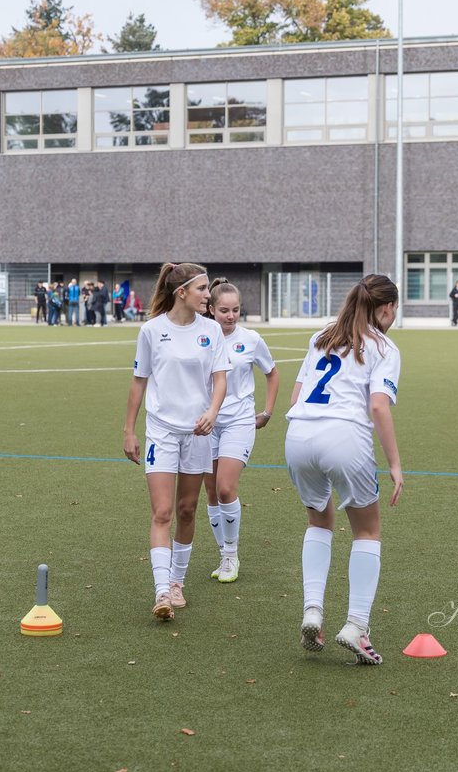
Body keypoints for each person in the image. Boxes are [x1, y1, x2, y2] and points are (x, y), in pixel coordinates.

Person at [286, 274, 403, 665]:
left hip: (299, 433)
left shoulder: (322, 335)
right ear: (386, 308)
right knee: (367, 530)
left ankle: (313, 611)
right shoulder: (384, 346)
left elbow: (297, 393)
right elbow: (377, 407)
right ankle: (356, 626)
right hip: (344, 436)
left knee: (319, 522)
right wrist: (395, 464)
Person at [123, 263, 228, 621]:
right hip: (162, 431)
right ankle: (161, 590)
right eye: (201, 289)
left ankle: (177, 581)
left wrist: (212, 412)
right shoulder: (152, 331)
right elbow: (139, 381)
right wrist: (129, 430)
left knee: (187, 510)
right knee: (163, 511)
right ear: (181, 292)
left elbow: (220, 380)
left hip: (198, 432)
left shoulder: (212, 330)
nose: (207, 295)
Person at [200, 279, 280, 584]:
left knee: (225, 489)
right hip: (207, 424)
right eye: (223, 310)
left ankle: (231, 555)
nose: (230, 315)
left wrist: (268, 410)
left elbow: (272, 373)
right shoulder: (202, 337)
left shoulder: (252, 339)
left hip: (239, 421)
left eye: (235, 310)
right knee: (210, 492)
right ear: (211, 309)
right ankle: (223, 554)